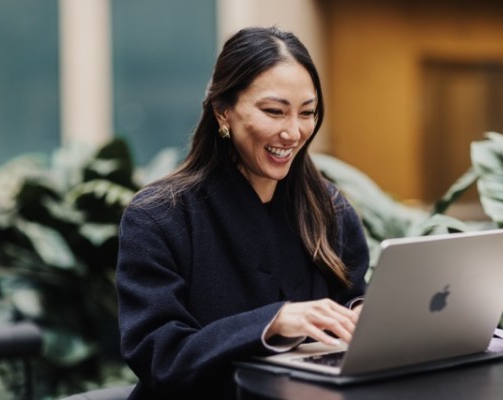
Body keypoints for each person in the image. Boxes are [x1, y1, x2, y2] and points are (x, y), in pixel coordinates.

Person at [115, 26, 369, 399]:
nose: (293, 132)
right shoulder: (158, 216)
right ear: (223, 112)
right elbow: (160, 355)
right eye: (273, 112)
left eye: (307, 113)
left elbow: (352, 299)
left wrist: (362, 318)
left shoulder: (329, 207)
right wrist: (272, 322)